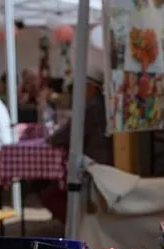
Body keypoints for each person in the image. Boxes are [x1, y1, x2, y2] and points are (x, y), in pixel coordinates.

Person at [42, 50, 112, 223]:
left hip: (93, 167)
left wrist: (51, 139)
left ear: (91, 87)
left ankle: (74, 226)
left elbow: (66, 135)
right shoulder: (99, 104)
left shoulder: (90, 107)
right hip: (98, 164)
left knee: (51, 194)